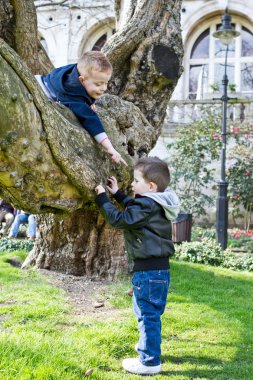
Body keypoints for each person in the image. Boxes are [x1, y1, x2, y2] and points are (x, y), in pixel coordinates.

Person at [95, 157, 180, 375]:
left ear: (151, 186)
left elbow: (121, 219)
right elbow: (137, 211)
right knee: (148, 312)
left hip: (149, 271)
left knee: (147, 314)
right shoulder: (156, 203)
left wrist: (103, 199)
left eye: (136, 181)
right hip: (157, 269)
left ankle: (149, 362)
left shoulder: (146, 204)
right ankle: (148, 347)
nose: (131, 185)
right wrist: (119, 195)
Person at [36, 51, 127, 166]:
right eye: (99, 84)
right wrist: (110, 147)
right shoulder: (72, 95)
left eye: (106, 83)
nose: (104, 88)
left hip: (41, 79)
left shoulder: (73, 71)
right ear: (82, 80)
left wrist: (89, 100)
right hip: (38, 89)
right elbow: (90, 120)